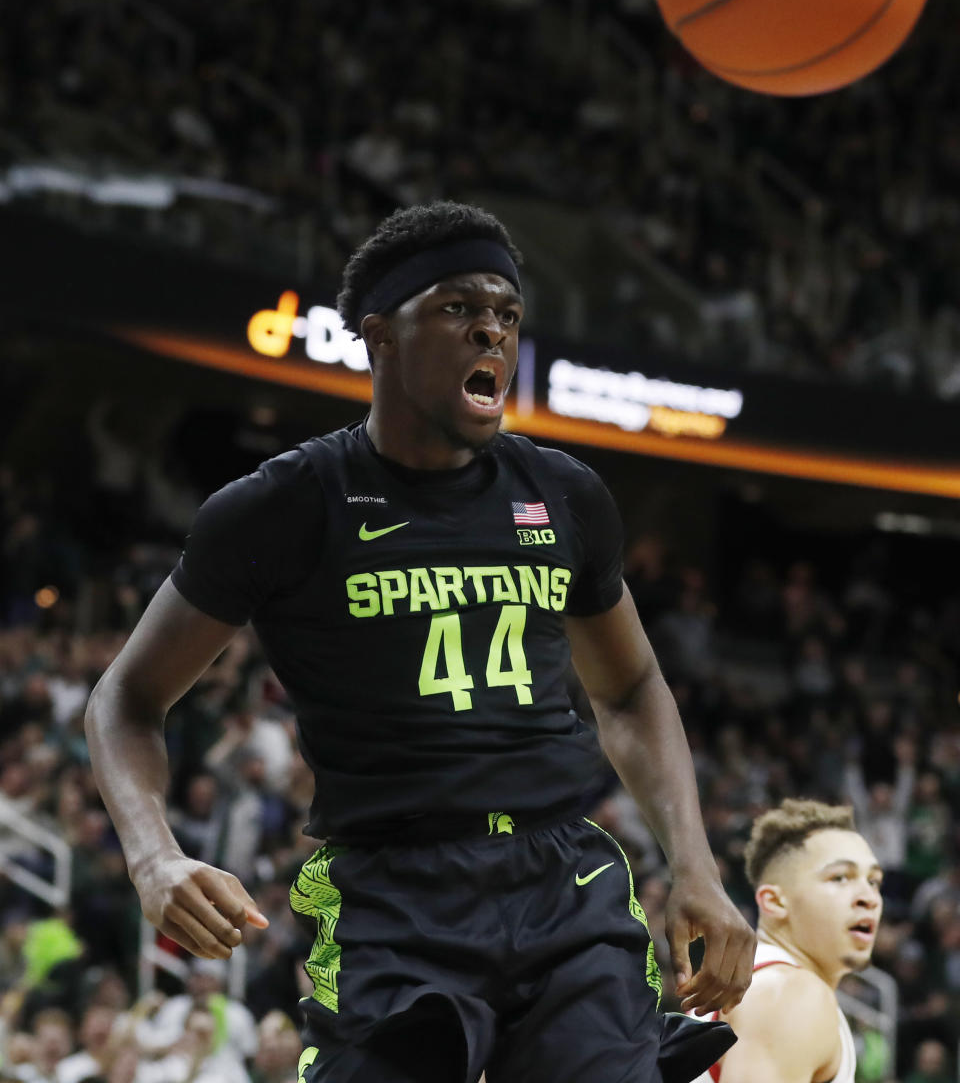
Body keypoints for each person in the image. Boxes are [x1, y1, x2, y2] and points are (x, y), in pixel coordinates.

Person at [85, 200, 755, 1083]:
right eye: (457, 308)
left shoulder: (563, 495)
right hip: (393, 896)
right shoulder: (283, 506)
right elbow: (126, 699)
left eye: (507, 315)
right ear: (380, 338)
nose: (491, 331)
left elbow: (629, 691)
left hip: (563, 881)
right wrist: (152, 855)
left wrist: (695, 867)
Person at [693, 798, 883, 1083]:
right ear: (774, 901)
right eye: (841, 877)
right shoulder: (790, 993)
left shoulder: (764, 982)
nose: (868, 898)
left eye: (874, 881)